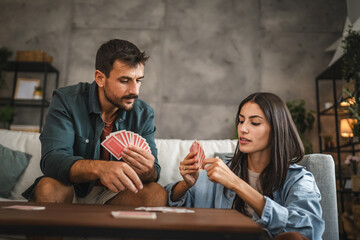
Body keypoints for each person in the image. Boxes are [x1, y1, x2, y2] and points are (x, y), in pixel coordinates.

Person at [23, 39, 167, 206]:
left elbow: (154, 173)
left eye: (139, 80)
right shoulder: (66, 100)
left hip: (114, 195)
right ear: (100, 78)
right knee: (48, 188)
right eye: (125, 81)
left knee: (156, 194)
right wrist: (101, 168)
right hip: (70, 189)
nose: (134, 91)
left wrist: (149, 170)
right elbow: (52, 161)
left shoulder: (144, 113)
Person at [165, 92, 324, 240]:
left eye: (254, 123)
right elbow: (171, 207)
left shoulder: (299, 180)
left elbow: (307, 231)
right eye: (241, 121)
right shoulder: (220, 171)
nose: (243, 128)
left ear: (277, 129)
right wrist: (185, 184)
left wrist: (236, 183)